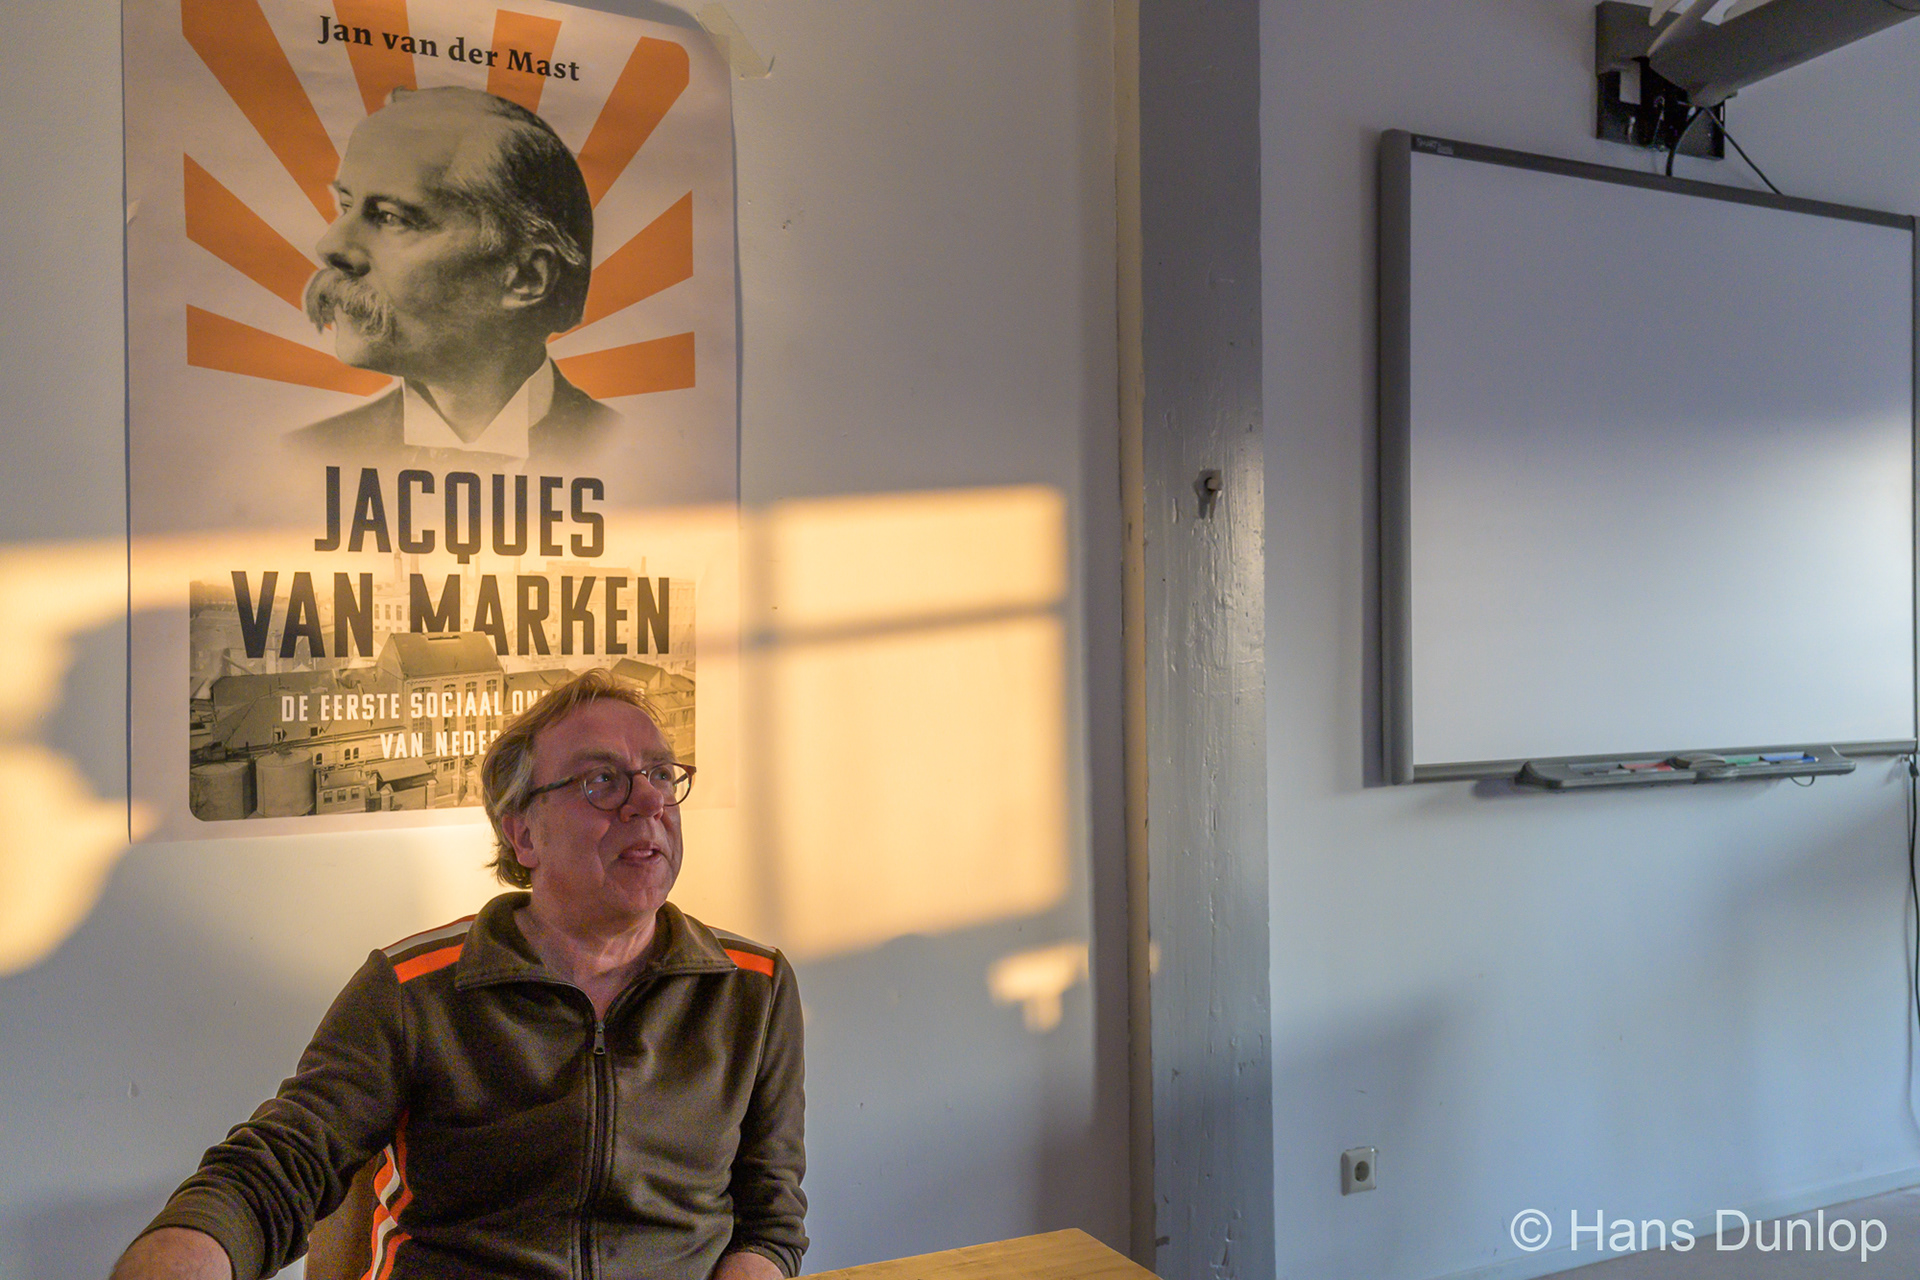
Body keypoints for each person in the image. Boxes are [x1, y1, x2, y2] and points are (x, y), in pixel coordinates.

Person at [111, 670, 805, 1280]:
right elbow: (284, 1164)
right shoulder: (414, 989)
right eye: (602, 781)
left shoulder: (754, 987)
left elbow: (769, 1218)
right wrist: (188, 1252)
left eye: (659, 774)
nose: (648, 803)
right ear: (523, 834)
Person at [285, 86, 621, 466]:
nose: (331, 245)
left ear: (525, 277)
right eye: (346, 206)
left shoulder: (633, 457)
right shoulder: (307, 458)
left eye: (391, 217)